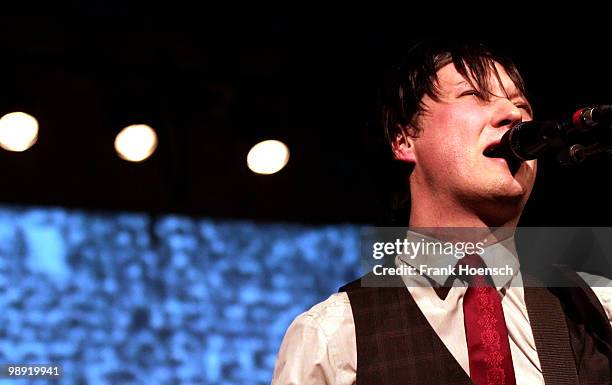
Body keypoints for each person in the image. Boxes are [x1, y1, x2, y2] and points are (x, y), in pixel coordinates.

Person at [271, 39, 612, 385]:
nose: (514, 115)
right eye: (474, 96)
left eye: (521, 104)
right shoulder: (333, 340)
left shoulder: (596, 311)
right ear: (404, 138)